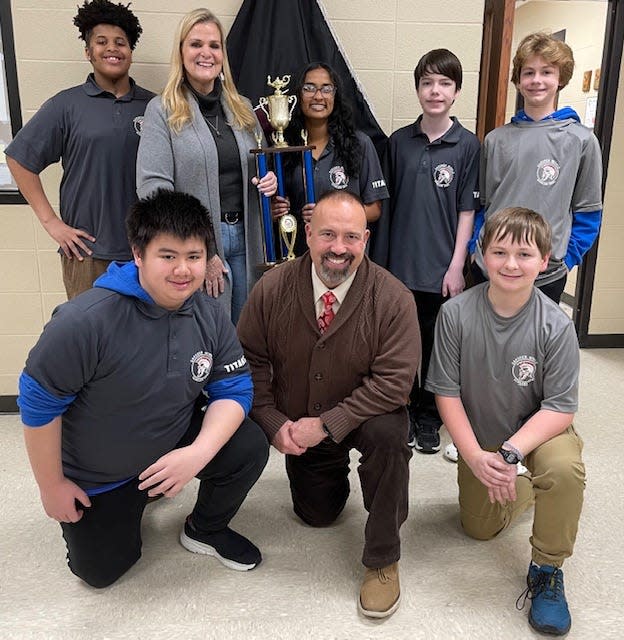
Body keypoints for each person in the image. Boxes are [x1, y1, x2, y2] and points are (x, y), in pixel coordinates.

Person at [18, 189, 269, 588]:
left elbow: (234, 387)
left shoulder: (208, 313)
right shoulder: (84, 321)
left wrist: (196, 454)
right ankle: (128, 504)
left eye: (194, 257)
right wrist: (52, 486)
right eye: (167, 256)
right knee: (100, 573)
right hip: (102, 473)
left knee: (249, 444)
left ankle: (205, 528)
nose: (183, 270)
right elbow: (37, 402)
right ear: (138, 254)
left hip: (169, 448)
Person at [237, 190, 420, 618]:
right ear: (307, 234)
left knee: (391, 435)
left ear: (366, 240)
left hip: (365, 418)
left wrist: (326, 424)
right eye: (328, 235)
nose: (339, 248)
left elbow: (394, 383)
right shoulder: (272, 287)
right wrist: (271, 421)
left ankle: (383, 558)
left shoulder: (394, 299)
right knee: (317, 515)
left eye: (351, 237)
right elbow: (249, 361)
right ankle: (330, 468)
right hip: (299, 421)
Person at [426, 207, 585, 636]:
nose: (511, 264)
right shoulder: (455, 314)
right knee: (478, 529)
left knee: (564, 470)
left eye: (524, 254)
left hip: (539, 433)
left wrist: (513, 453)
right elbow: (447, 392)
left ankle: (547, 570)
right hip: (483, 436)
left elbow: (560, 407)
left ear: (546, 259)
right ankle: (529, 491)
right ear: (480, 255)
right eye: (499, 251)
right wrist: (477, 456)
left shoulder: (556, 325)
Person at [5, 0, 154, 299]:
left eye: (120, 42)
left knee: (144, 341)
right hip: (88, 255)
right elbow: (18, 158)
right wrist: (52, 223)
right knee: (90, 342)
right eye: (101, 42)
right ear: (88, 52)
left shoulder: (155, 106)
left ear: (130, 52)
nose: (112, 48)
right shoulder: (66, 105)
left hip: (146, 251)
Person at [136, 8, 277, 324]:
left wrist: (269, 180)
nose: (206, 53)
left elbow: (262, 165)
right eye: (196, 44)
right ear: (182, 52)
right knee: (203, 331)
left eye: (214, 46)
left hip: (247, 238)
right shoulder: (162, 111)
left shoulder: (243, 110)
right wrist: (203, 249)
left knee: (245, 329)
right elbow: (154, 190)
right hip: (195, 245)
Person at [371, 49, 480, 455]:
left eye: (445, 83)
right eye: (427, 82)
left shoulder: (468, 146)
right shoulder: (398, 143)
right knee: (401, 345)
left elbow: (467, 211)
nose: (435, 91)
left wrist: (457, 266)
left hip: (441, 270)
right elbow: (386, 208)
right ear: (417, 88)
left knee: (436, 347)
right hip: (400, 266)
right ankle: (402, 409)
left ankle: (430, 416)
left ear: (456, 92)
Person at [471, 32, 603, 305]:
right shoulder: (496, 140)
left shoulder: (581, 141)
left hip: (546, 275)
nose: (536, 80)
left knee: (532, 348)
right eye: (528, 72)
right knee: (485, 344)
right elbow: (483, 207)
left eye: (546, 72)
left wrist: (566, 258)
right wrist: (476, 248)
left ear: (561, 78)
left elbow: (589, 214)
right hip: (490, 269)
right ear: (518, 81)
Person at [272, 62, 389, 255]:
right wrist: (275, 212)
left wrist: (327, 215)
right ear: (298, 96)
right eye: (309, 88)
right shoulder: (283, 146)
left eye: (326, 89)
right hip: (299, 256)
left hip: (345, 256)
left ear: (336, 96)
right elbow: (272, 206)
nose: (318, 96)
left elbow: (375, 209)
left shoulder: (360, 144)